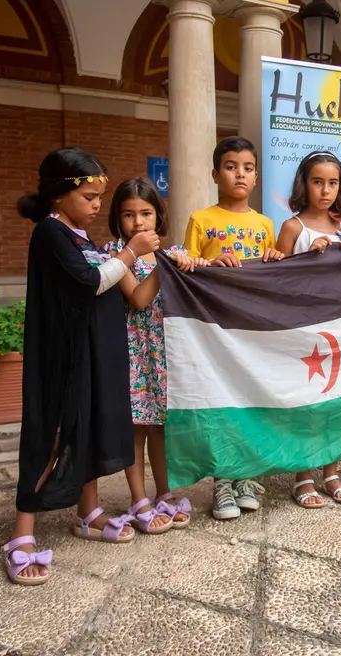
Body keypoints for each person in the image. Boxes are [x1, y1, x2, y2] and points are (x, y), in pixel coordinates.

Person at [6, 148, 161, 585]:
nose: (97, 204)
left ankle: (88, 512)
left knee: (87, 426)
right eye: (90, 196)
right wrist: (131, 252)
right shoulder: (50, 234)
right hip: (63, 357)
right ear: (60, 193)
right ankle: (22, 535)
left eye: (99, 196)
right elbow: (92, 282)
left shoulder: (77, 235)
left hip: (90, 355)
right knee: (50, 433)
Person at [184, 136, 284, 520]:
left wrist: (275, 257)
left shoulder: (264, 224)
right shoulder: (201, 219)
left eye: (247, 168)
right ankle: (222, 481)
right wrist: (210, 263)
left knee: (250, 402)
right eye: (230, 166)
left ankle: (247, 476)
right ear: (215, 173)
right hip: (215, 332)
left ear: (256, 177)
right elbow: (185, 270)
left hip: (252, 331)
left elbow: (273, 276)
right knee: (222, 404)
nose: (239, 174)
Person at [105, 178, 208, 536]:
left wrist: (197, 263)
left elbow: (199, 281)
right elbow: (137, 299)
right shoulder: (115, 253)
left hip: (165, 351)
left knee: (160, 426)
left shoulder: (173, 251)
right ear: (117, 219)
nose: (138, 223)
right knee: (137, 426)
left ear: (158, 215)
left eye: (146, 213)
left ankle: (165, 491)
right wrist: (161, 264)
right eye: (129, 215)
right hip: (134, 349)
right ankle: (139, 499)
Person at [276, 152, 341, 507]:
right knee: (307, 404)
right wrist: (307, 256)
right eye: (318, 182)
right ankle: (303, 476)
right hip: (303, 331)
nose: (326, 190)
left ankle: (331, 472)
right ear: (304, 184)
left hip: (337, 328)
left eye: (333, 183)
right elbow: (277, 277)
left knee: (333, 403)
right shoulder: (293, 227)